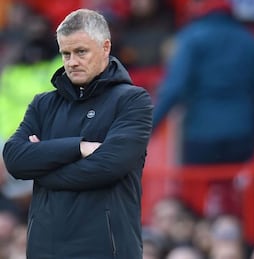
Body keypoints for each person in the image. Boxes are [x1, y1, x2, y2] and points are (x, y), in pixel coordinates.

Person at [2, 8, 153, 259]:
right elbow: (14, 159)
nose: (72, 62)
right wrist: (78, 148)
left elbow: (108, 166)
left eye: (81, 52)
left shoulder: (133, 100)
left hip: (106, 250)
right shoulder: (43, 104)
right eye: (66, 53)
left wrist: (42, 169)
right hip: (45, 250)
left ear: (105, 48)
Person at [152, 0, 254, 164]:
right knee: (236, 188)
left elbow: (174, 87)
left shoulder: (191, 37)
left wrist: (148, 127)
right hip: (242, 132)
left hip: (200, 133)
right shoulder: (249, 40)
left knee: (198, 187)